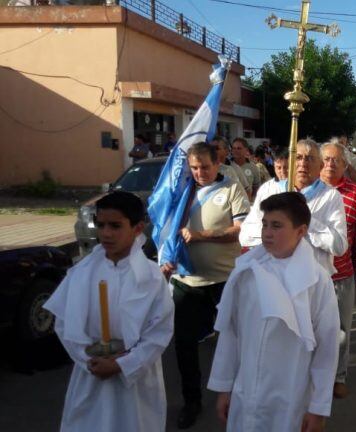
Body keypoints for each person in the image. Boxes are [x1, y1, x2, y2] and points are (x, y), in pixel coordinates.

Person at [208, 192, 340, 432]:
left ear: (300, 231)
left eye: (277, 226)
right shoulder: (247, 273)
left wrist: (318, 407)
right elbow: (231, 333)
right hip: (245, 388)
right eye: (265, 224)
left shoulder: (316, 280)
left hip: (291, 392)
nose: (267, 232)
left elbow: (327, 346)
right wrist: (224, 387)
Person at [44, 191, 174, 432]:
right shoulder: (82, 273)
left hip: (135, 380)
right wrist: (88, 359)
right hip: (91, 375)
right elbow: (64, 324)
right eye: (101, 225)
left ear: (138, 228)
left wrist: (123, 364)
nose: (105, 233)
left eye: (115, 226)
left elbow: (159, 332)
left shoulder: (151, 277)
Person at [160, 142, 251, 429]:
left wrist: (202, 235)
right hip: (187, 282)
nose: (200, 173)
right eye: (195, 167)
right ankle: (192, 401)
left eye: (205, 167)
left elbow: (241, 231)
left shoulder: (231, 189)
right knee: (184, 344)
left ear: (217, 163)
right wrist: (166, 256)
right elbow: (164, 227)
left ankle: (241, 395)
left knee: (235, 341)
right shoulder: (181, 191)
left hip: (225, 281)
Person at [319, 141, 356, 399]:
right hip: (307, 275)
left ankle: (338, 375)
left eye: (336, 160)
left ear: (345, 165)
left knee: (341, 329)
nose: (331, 164)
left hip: (341, 274)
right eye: (326, 159)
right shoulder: (306, 191)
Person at [239, 138, 347, 277]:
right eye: (298, 158)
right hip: (273, 277)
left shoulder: (331, 196)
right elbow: (245, 235)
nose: (303, 163)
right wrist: (278, 230)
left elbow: (339, 246)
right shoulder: (269, 190)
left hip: (313, 280)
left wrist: (306, 220)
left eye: (309, 158)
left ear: (320, 166)